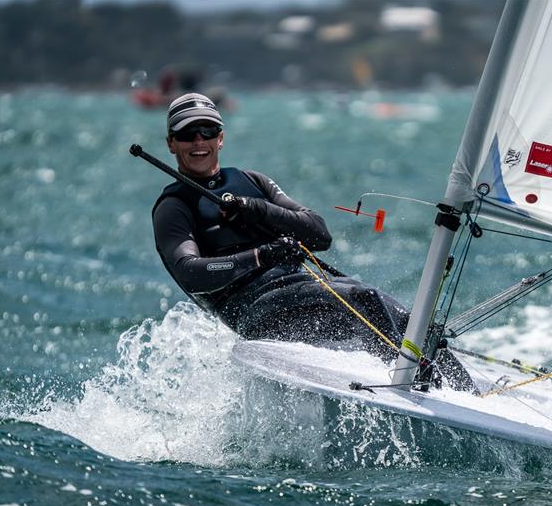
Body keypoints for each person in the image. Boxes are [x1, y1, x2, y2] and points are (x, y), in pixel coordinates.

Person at [152, 93, 474, 391]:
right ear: (171, 144)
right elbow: (190, 272)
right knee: (364, 300)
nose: (198, 141)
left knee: (410, 321)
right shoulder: (174, 207)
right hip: (254, 311)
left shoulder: (253, 182)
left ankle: (469, 396)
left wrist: (259, 210)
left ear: (220, 138)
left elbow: (319, 234)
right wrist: (261, 255)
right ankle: (408, 387)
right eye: (187, 134)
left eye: (207, 131)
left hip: (301, 292)